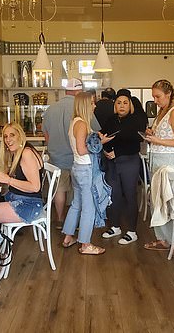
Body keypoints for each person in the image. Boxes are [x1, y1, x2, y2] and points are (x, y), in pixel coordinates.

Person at [42, 78, 100, 228]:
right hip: (79, 159)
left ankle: (60, 220)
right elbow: (95, 132)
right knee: (78, 193)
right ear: (79, 91)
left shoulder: (51, 109)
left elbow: (46, 136)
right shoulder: (81, 110)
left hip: (56, 158)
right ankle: (79, 222)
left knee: (59, 190)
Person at [143, 79, 174, 255]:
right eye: (154, 96)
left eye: (158, 96)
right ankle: (163, 239)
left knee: (170, 202)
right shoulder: (162, 111)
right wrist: (151, 132)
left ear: (168, 94)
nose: (155, 100)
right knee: (157, 201)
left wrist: (157, 140)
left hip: (167, 161)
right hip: (156, 159)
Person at [62, 92, 106, 255]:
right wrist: (100, 143)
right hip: (85, 169)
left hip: (77, 168)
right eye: (92, 103)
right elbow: (82, 150)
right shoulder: (81, 124)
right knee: (89, 208)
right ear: (85, 105)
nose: (94, 106)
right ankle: (86, 244)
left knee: (77, 204)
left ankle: (68, 237)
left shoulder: (75, 122)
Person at [99, 89, 143, 245]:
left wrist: (116, 152)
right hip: (111, 163)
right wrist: (105, 150)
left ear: (130, 104)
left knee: (130, 195)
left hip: (129, 161)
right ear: (115, 105)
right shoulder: (111, 120)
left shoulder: (135, 120)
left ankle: (132, 231)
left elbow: (135, 142)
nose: (122, 106)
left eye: (125, 103)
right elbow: (103, 137)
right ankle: (115, 226)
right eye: (118, 103)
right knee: (113, 195)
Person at [0, 123, 45, 224]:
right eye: (5, 136)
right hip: (17, 199)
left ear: (20, 135)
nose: (8, 140)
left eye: (12, 135)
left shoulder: (26, 153)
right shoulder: (18, 152)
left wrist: (8, 180)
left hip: (28, 205)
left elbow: (35, 187)